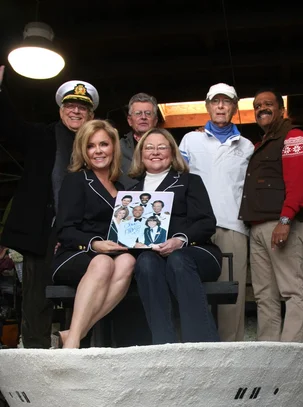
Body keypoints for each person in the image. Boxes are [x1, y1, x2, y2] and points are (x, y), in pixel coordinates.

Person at [0, 65, 98, 348]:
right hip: (44, 230)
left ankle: (80, 350)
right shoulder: (41, 136)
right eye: (70, 105)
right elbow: (9, 124)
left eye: (82, 107)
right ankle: (36, 354)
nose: (76, 111)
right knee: (37, 298)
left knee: (85, 292)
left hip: (84, 233)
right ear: (60, 110)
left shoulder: (98, 142)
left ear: (91, 114)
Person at [128, 128, 222, 344]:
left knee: (178, 259)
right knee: (146, 262)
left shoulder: (189, 181)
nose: (155, 152)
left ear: (172, 152)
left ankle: (202, 344)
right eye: (149, 147)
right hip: (153, 256)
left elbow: (207, 223)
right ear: (140, 154)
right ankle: (162, 344)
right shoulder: (132, 192)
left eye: (162, 147)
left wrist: (179, 240)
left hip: (195, 252)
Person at [179, 83, 254, 342]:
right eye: (216, 101)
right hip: (195, 228)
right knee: (193, 292)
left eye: (227, 101)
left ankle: (231, 355)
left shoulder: (247, 146)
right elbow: (179, 181)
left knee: (231, 300)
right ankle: (198, 351)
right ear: (207, 106)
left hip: (232, 226)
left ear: (234, 107)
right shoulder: (190, 139)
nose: (221, 106)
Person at [52, 120, 136, 349]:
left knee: (128, 260)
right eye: (91, 146)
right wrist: (94, 244)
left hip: (110, 255)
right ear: (83, 151)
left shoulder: (122, 189)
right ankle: (73, 345)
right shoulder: (76, 180)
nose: (98, 151)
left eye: (103, 144)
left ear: (113, 148)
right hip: (75, 253)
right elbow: (65, 229)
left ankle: (72, 334)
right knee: (102, 263)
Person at [239, 88, 303, 343]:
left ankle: (293, 352)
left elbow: (300, 186)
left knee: (293, 291)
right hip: (258, 228)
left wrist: (285, 221)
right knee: (264, 296)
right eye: (257, 106)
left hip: (282, 224)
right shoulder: (262, 144)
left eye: (268, 104)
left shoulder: (294, 136)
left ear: (282, 110)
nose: (262, 109)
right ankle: (269, 352)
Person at [120, 93, 158, 175]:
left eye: (148, 113)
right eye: (138, 113)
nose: (143, 117)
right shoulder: (119, 147)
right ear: (130, 121)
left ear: (155, 120)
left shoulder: (167, 146)